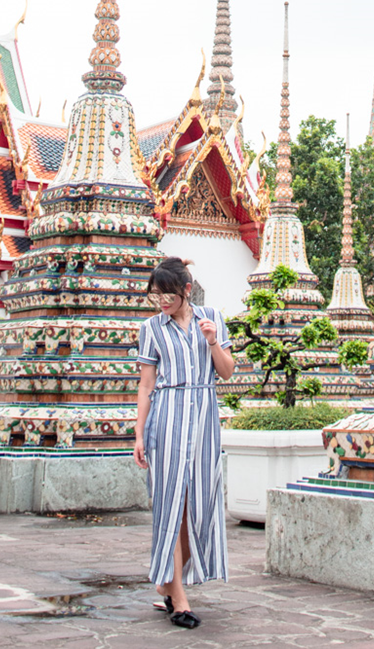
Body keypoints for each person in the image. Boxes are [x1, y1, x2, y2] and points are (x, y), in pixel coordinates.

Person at [134, 257, 235, 630]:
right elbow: (146, 385)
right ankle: (178, 599)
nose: (161, 302)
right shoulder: (152, 328)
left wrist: (211, 342)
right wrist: (139, 434)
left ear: (186, 291)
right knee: (170, 507)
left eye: (168, 296)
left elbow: (225, 371)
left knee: (201, 506)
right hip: (168, 420)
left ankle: (166, 578)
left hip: (205, 420)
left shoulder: (212, 318)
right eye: (155, 296)